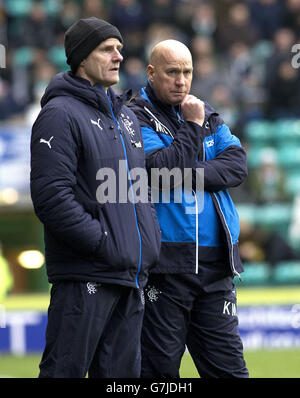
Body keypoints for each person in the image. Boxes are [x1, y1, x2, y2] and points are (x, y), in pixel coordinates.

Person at [30, 17, 161, 378]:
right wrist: (104, 242)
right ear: (81, 57)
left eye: (119, 48)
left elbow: (139, 193)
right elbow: (51, 198)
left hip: (129, 278)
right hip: (84, 276)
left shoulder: (127, 119)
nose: (118, 56)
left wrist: (146, 244)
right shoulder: (58, 114)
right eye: (107, 49)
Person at [129, 39, 249, 378]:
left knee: (230, 372)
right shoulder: (136, 116)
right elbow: (161, 171)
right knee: (159, 375)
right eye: (172, 73)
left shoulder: (205, 111)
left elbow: (237, 165)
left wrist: (188, 174)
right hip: (167, 268)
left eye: (187, 72)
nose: (181, 81)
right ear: (151, 73)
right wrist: (192, 128)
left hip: (216, 268)